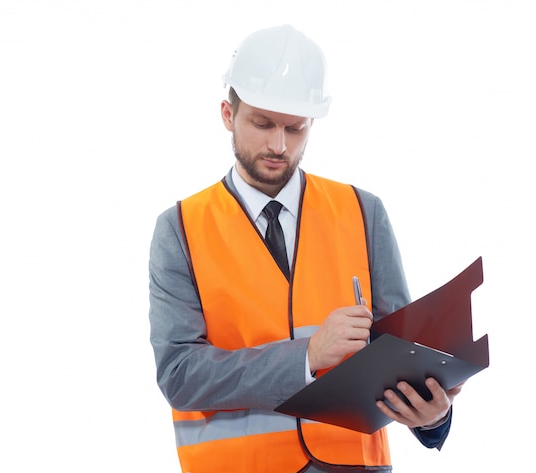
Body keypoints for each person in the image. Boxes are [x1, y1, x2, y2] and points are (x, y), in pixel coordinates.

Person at [148, 24, 463, 473]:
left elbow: (400, 352)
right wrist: (309, 356)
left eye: (295, 129)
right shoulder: (179, 229)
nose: (279, 145)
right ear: (226, 113)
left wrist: (433, 416)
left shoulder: (362, 211)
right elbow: (180, 375)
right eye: (262, 124)